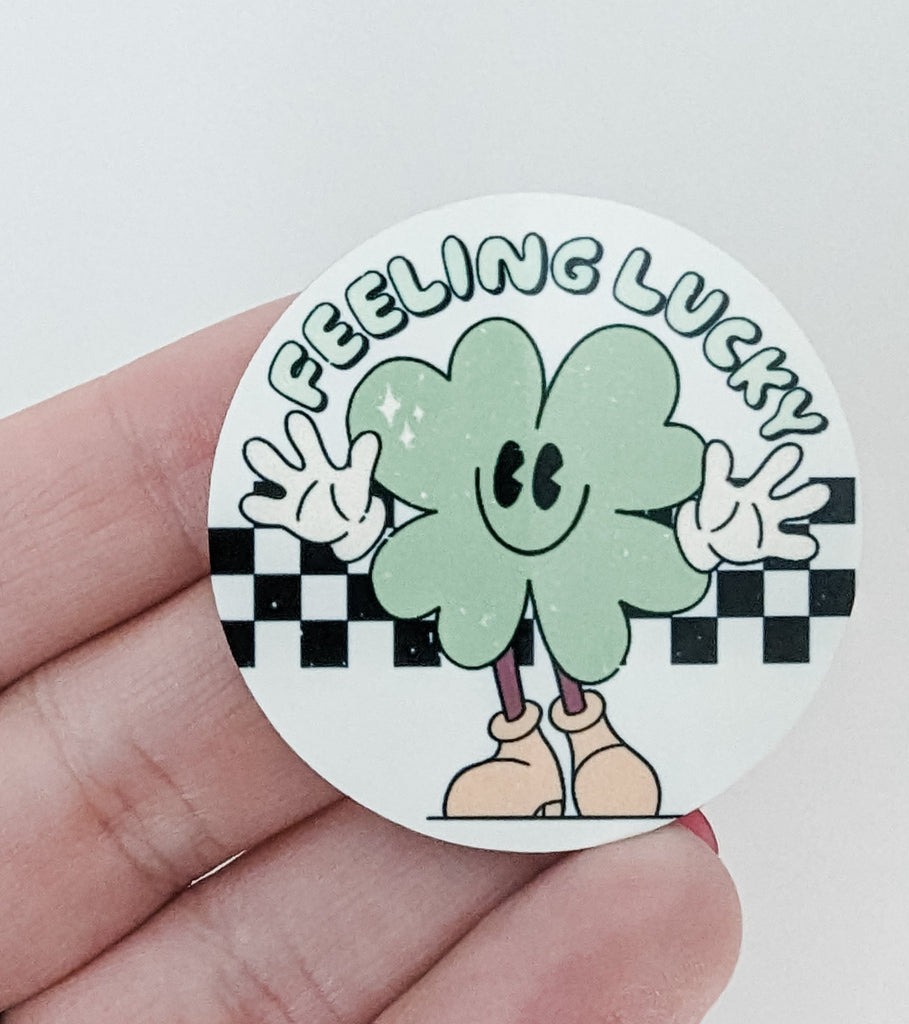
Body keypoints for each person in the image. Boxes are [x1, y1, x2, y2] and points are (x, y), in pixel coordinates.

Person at [0, 301, 741, 1022]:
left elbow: (661, 572)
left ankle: (589, 740)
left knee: (572, 628)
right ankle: (526, 752)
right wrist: (348, 534)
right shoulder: (440, 538)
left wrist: (705, 546)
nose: (526, 491)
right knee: (492, 627)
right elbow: (396, 570)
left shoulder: (616, 531)